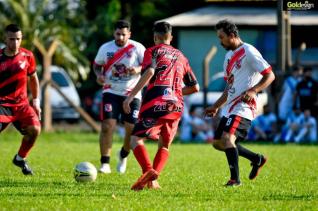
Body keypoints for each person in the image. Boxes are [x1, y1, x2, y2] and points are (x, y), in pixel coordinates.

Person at [123, 21, 199, 191]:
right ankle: (153, 180)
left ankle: (148, 171)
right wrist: (176, 92)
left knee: (135, 139)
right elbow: (195, 87)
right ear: (170, 37)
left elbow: (150, 72)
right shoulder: (181, 56)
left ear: (155, 37)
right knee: (164, 145)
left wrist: (130, 97)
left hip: (155, 103)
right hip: (176, 106)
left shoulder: (152, 51)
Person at [204, 20, 275, 187]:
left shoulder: (249, 51)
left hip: (243, 107)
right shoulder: (228, 57)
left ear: (232, 36)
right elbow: (230, 87)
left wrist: (253, 90)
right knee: (218, 143)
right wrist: (216, 106)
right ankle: (256, 159)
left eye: (222, 37)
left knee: (228, 139)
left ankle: (235, 180)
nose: (220, 41)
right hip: (229, 108)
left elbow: (270, 75)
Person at [93, 20, 146, 174]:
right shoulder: (106, 48)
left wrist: (137, 69)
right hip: (111, 91)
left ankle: (123, 154)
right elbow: (97, 65)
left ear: (129, 34)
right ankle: (105, 163)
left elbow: (148, 66)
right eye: (118, 34)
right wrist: (99, 75)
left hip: (132, 93)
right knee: (107, 126)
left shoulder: (137, 48)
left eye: (124, 34)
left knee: (131, 128)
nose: (121, 37)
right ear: (114, 33)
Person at [0, 24, 41, 175]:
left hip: (22, 105)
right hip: (2, 104)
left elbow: (33, 78)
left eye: (18, 39)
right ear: (5, 39)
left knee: (35, 129)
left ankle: (20, 158)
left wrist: (36, 101)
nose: (15, 43)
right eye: (11, 39)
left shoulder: (28, 56)